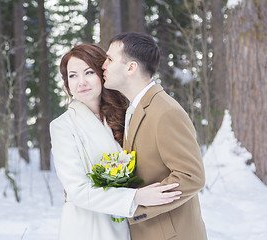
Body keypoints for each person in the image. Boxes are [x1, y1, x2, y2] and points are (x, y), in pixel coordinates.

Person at [50, 43, 182, 240]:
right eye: (73, 75)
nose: (81, 82)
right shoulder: (63, 126)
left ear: (102, 74)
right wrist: (135, 197)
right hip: (87, 226)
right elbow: (76, 190)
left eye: (88, 72)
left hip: (130, 224)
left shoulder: (125, 115)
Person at [102, 32, 207, 240]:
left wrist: (136, 204)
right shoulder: (135, 108)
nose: (103, 65)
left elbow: (191, 176)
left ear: (131, 68)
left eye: (110, 59)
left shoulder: (166, 111)